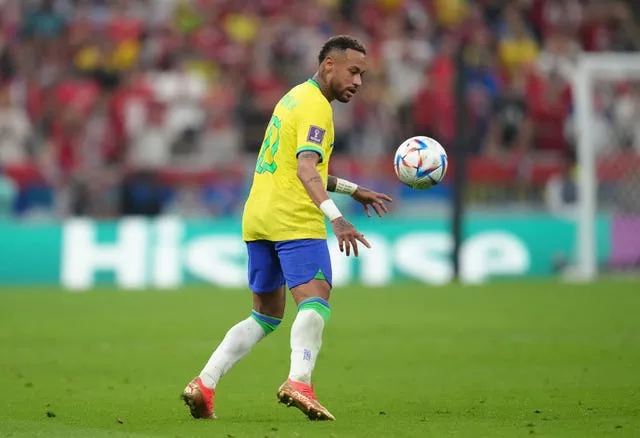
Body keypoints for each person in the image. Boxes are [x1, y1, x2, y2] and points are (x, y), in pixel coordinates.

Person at [181, 35, 393, 421]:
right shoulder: (317, 109)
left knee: (265, 315)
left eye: (362, 74)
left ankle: (205, 383)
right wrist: (338, 218)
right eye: (353, 71)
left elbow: (297, 164)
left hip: (258, 215)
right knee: (315, 299)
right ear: (330, 64)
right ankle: (299, 382)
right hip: (292, 219)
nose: (358, 82)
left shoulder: (294, 97)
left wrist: (352, 189)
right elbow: (306, 169)